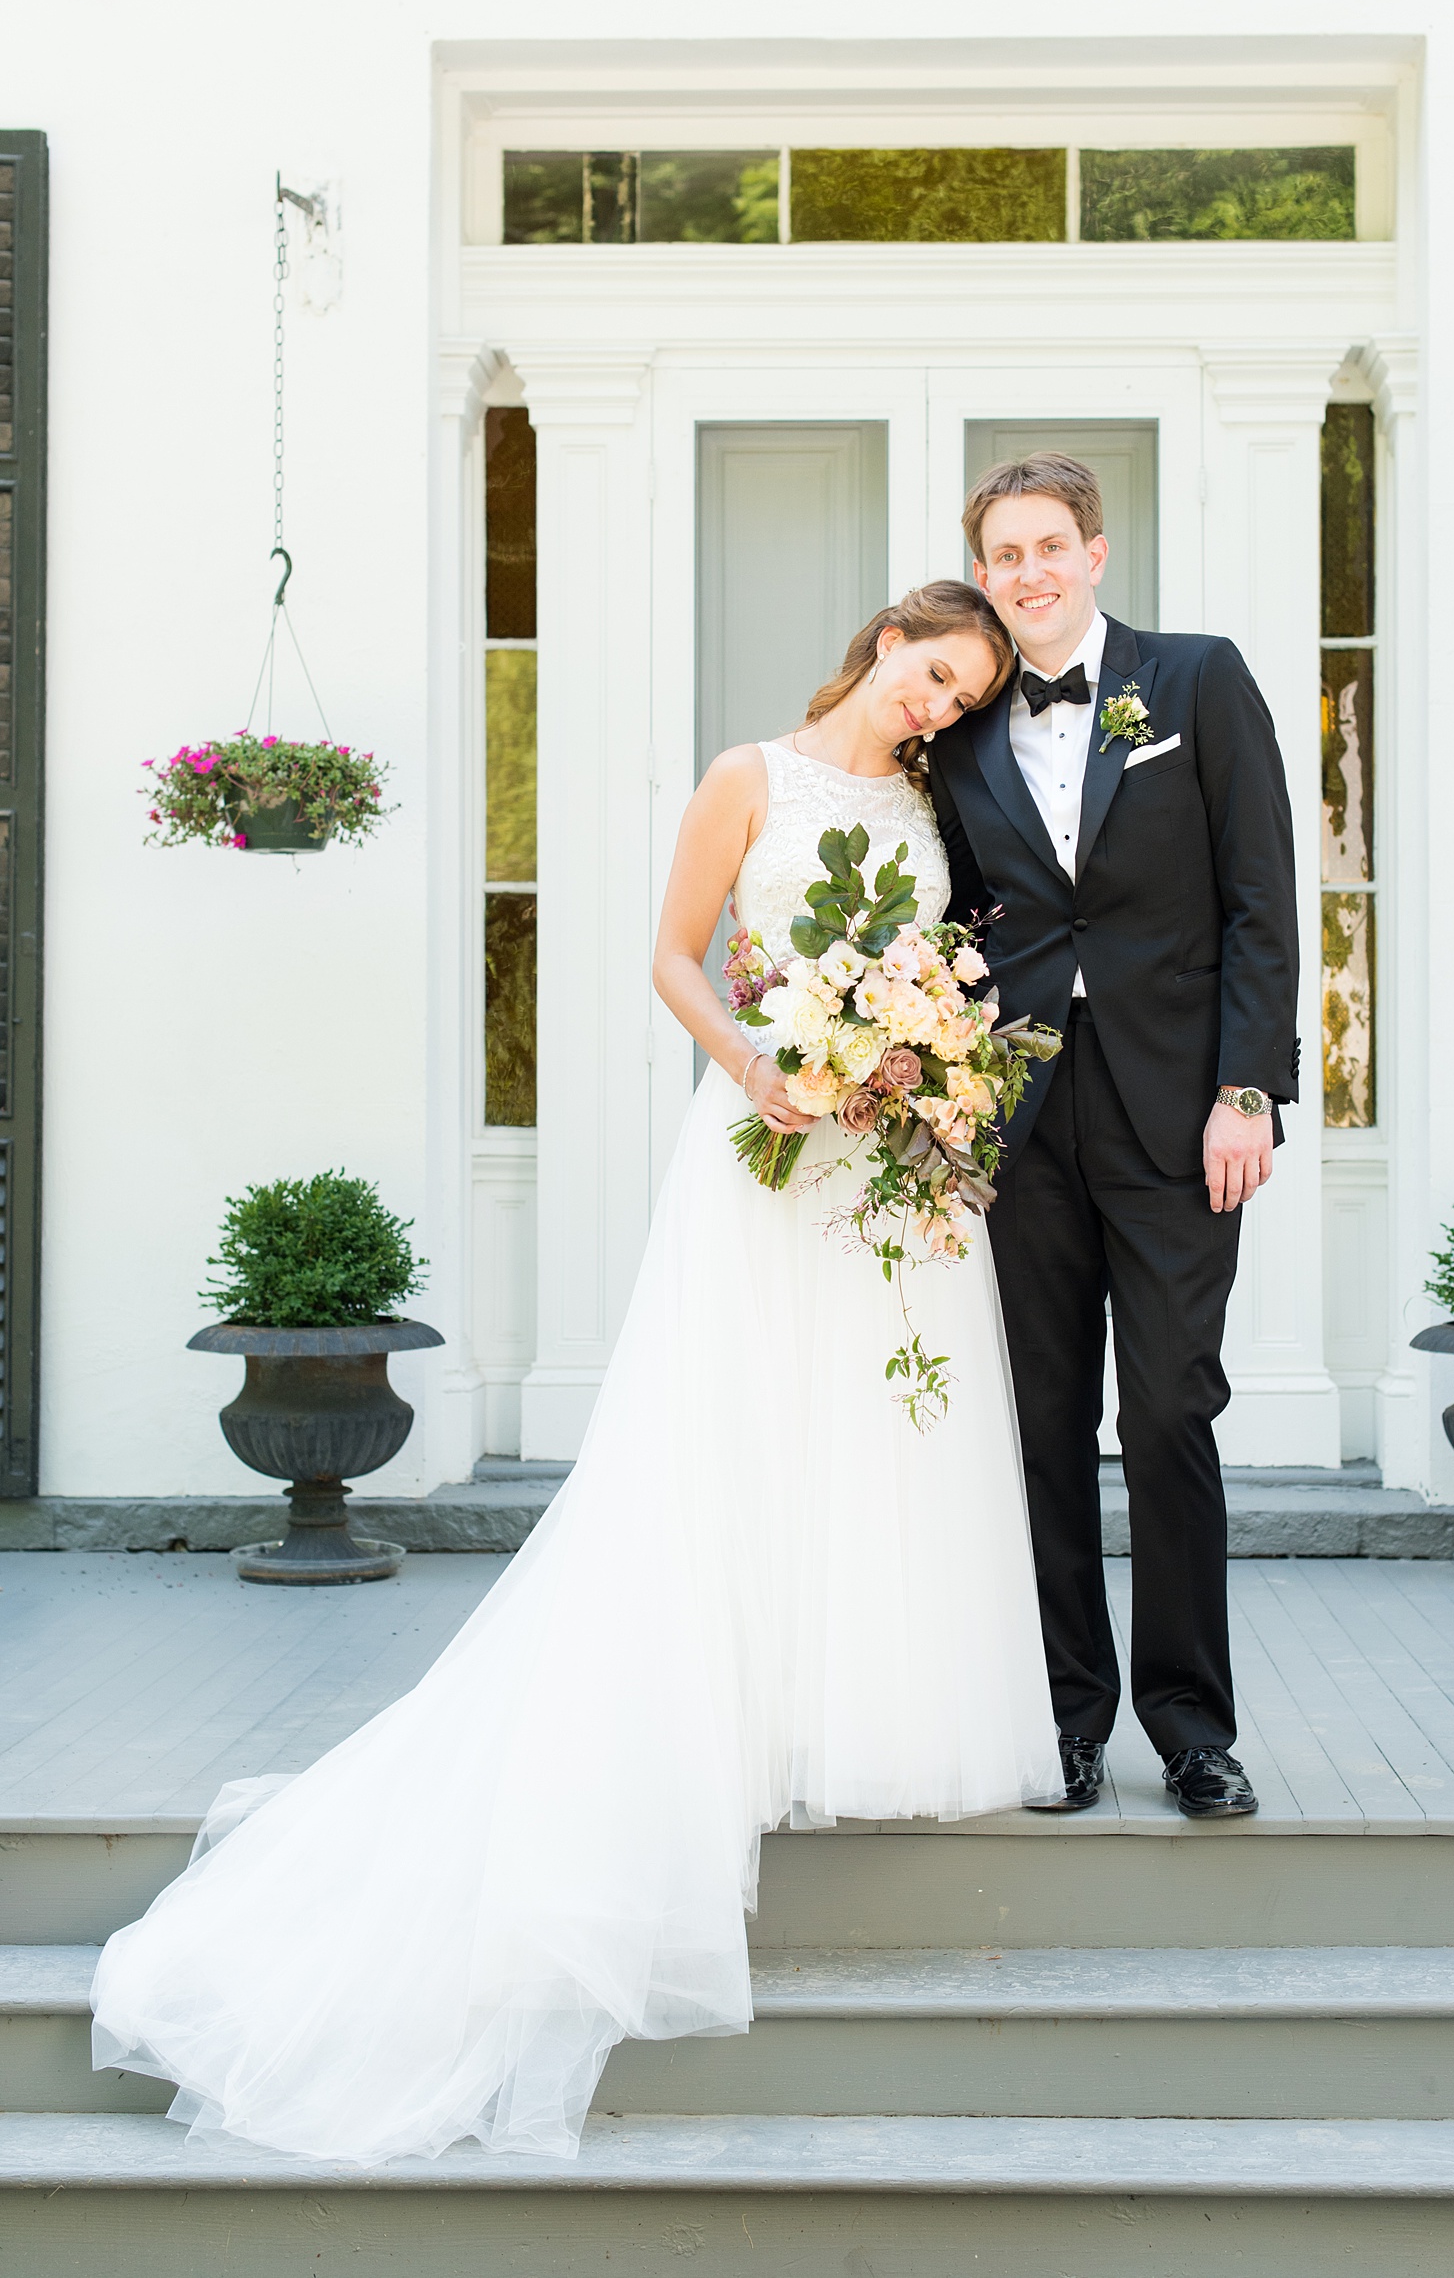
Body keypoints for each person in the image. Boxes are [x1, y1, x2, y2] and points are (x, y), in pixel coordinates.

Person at [89, 580, 1062, 2165]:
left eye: (961, 701)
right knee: (730, 1437)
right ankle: (714, 1717)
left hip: (891, 1168)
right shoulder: (750, 776)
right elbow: (677, 958)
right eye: (934, 677)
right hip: (766, 1149)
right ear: (888, 641)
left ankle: (841, 1715)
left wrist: (926, 1066)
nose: (938, 711)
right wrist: (767, 1063)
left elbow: (950, 966)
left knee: (879, 1432)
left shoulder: (941, 802)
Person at [928, 456, 1300, 1822]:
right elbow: (959, 928)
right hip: (1018, 1123)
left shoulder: (1196, 682)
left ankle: (1193, 1729)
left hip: (1180, 1117)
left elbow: (1263, 894)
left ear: (1094, 551)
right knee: (1039, 1426)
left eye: (1045, 547)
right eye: (1001, 557)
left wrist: (1248, 1090)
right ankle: (1062, 1723)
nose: (1025, 574)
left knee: (1166, 1413)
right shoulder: (960, 735)